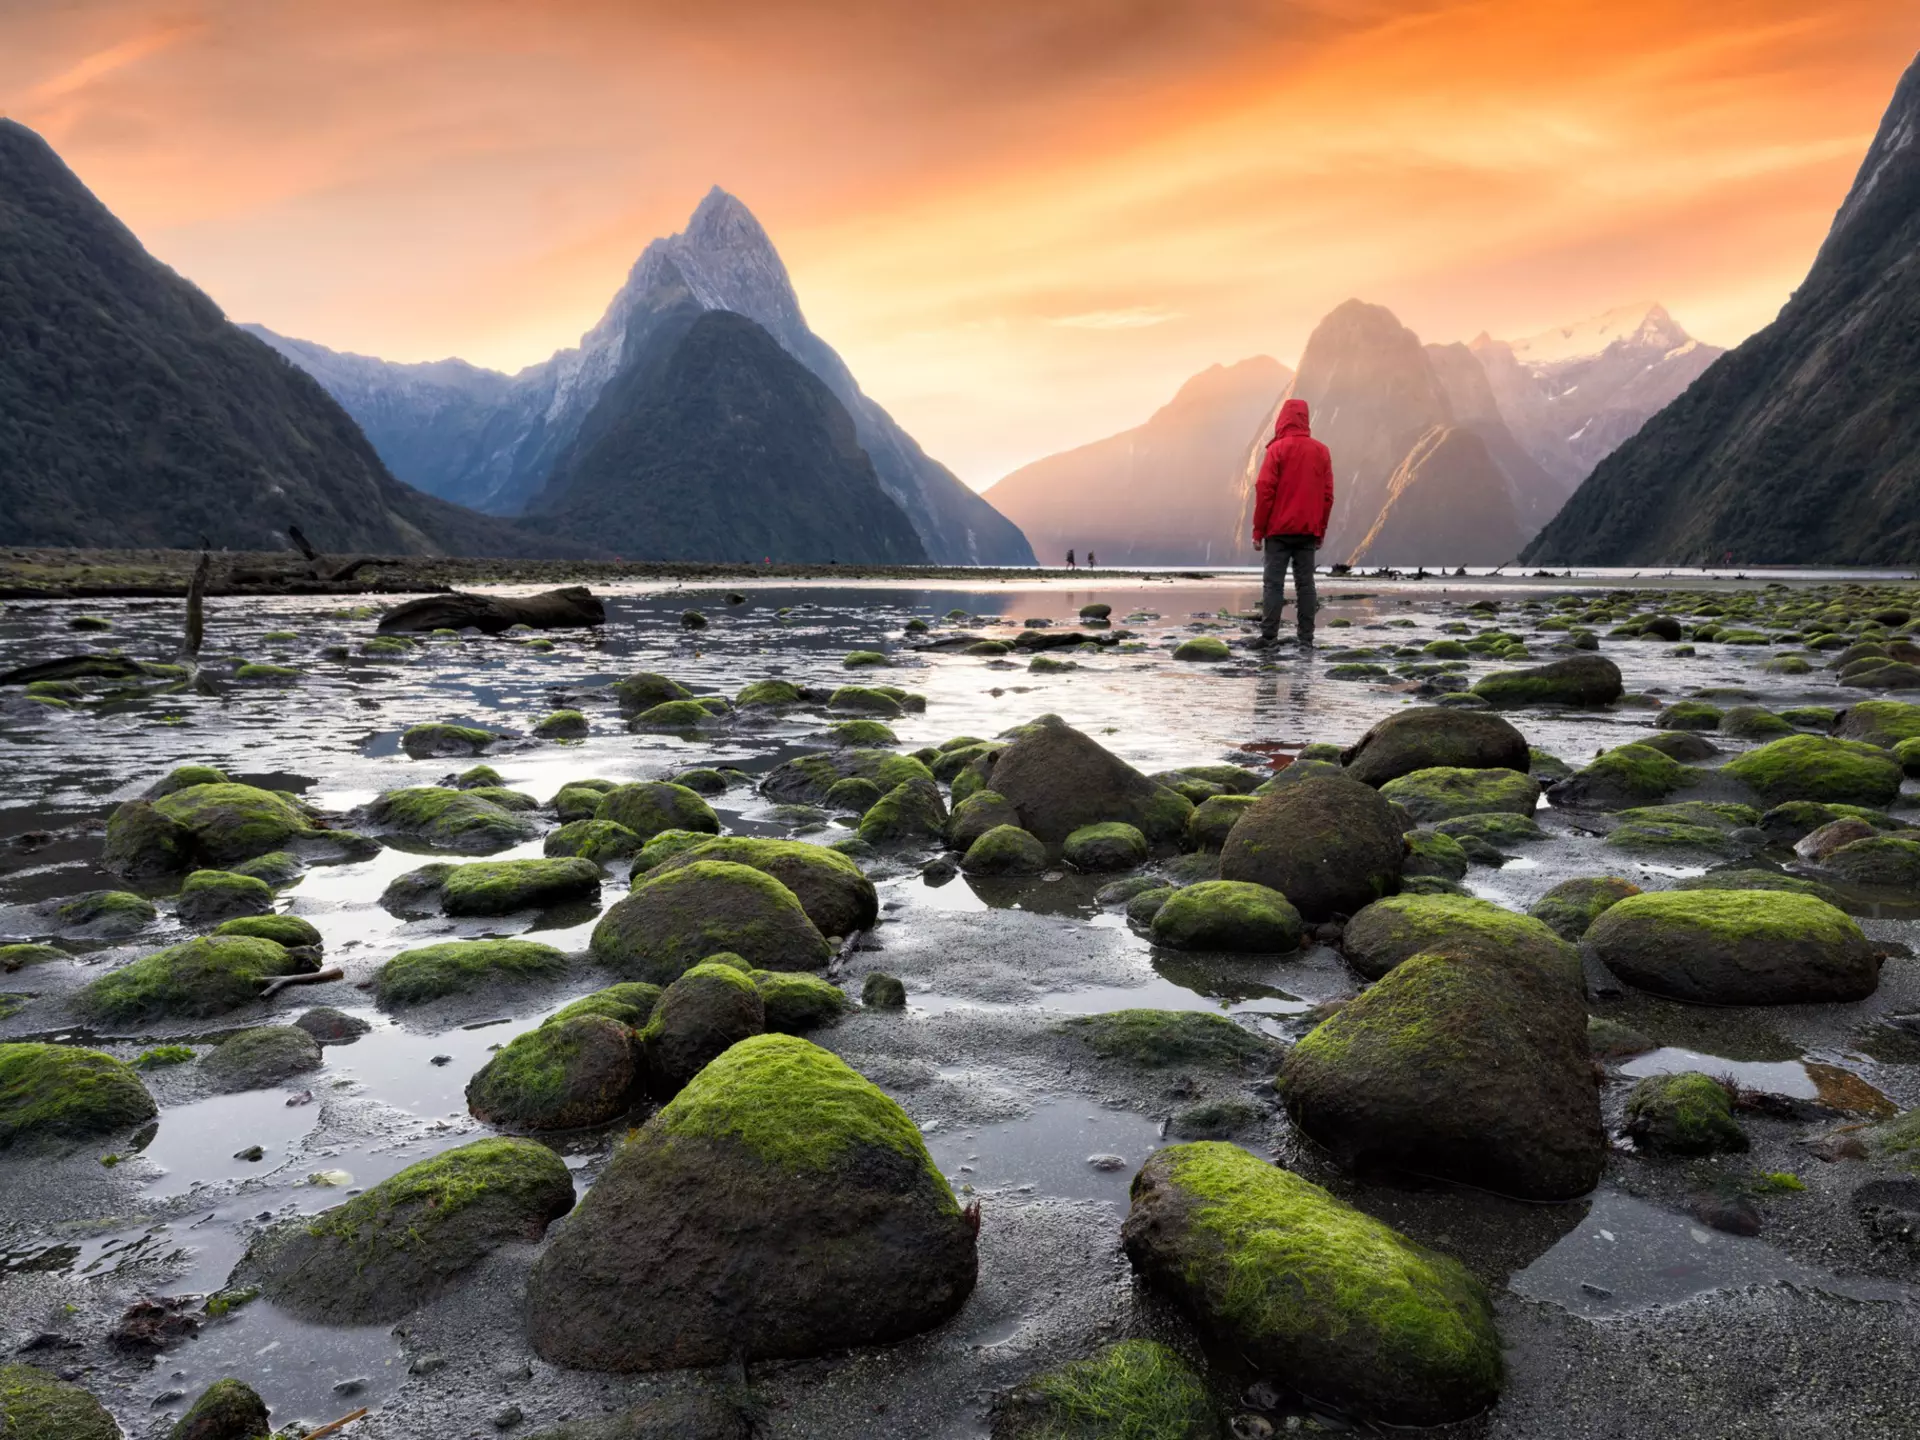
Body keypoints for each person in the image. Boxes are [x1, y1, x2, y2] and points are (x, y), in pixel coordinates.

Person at [1250, 397, 1334, 648]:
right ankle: (1306, 639)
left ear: (1282, 419)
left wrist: (1258, 530)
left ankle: (1268, 638)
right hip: (1308, 530)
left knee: (1273, 584)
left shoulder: (1276, 450)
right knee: (1306, 584)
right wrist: (1320, 530)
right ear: (1305, 419)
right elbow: (1327, 495)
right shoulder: (1321, 451)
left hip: (1277, 531)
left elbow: (1265, 490)